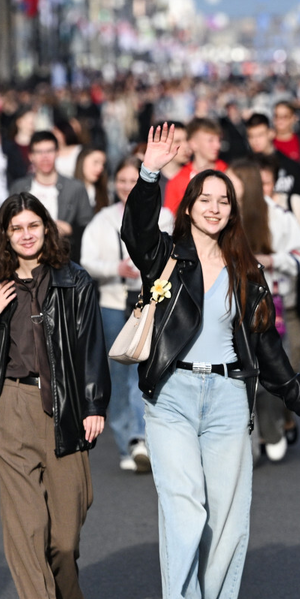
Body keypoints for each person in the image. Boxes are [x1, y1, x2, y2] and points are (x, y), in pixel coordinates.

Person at [122, 125, 300, 599]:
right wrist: (150, 174)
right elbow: (135, 229)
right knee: (183, 503)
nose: (215, 207)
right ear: (189, 205)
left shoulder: (246, 269)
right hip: (171, 391)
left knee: (229, 522)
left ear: (233, 211)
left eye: (224, 201)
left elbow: (267, 347)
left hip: (227, 398)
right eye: (205, 198)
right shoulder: (165, 256)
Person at [0, 192, 109, 599]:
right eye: (16, 228)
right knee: (25, 528)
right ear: (5, 235)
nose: (25, 234)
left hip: (64, 407)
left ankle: (62, 597)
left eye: (32, 225)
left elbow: (91, 347)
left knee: (65, 533)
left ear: (46, 229)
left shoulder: (74, 281)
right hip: (11, 407)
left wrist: (94, 404)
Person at [80, 156, 173, 472]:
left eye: (133, 180)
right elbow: (87, 259)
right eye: (121, 180)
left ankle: (145, 437)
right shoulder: (102, 219)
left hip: (152, 303)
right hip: (113, 302)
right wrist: (114, 269)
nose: (126, 186)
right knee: (118, 375)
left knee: (148, 371)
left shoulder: (165, 216)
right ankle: (128, 441)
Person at [227, 160, 300, 460]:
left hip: (270, 303)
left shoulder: (278, 216)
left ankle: (272, 425)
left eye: (232, 181)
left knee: (271, 367)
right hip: (227, 306)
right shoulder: (219, 212)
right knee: (236, 374)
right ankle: (246, 437)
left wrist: (273, 260)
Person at [8, 131, 95, 263]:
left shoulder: (76, 188)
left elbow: (89, 228)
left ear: (57, 152)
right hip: (25, 261)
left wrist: (70, 229)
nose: (45, 157)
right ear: (31, 156)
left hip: (65, 258)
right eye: (39, 152)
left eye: (49, 151)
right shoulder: (18, 188)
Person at [245, 113, 300, 223]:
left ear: (271, 133)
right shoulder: (245, 168)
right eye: (251, 136)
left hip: (288, 225)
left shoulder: (289, 165)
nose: (255, 141)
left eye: (260, 135)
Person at [162, 117, 227, 214]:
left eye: (219, 140)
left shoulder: (227, 172)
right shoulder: (177, 180)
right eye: (210, 140)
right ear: (193, 144)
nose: (217, 145)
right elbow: (170, 218)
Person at [73, 146, 110, 215]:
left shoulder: (103, 193)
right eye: (95, 162)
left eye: (103, 164)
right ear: (82, 160)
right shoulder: (68, 189)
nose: (100, 168)